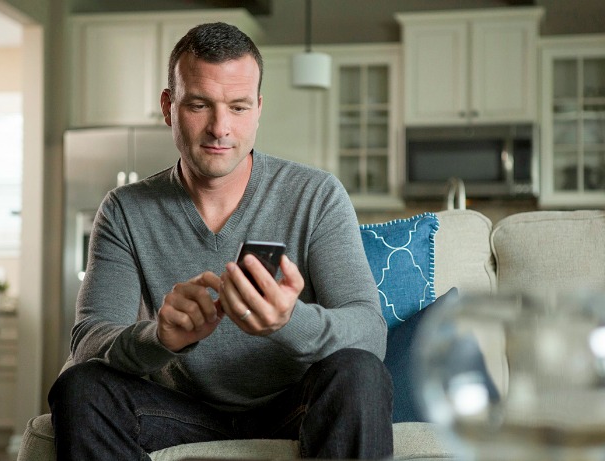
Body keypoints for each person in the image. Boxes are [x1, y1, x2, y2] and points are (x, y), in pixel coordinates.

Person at [48, 22, 393, 460]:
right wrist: (160, 337)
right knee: (80, 386)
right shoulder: (124, 209)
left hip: (295, 407)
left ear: (259, 108)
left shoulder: (316, 195)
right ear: (168, 107)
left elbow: (370, 333)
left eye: (238, 107)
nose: (220, 128)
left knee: (360, 371)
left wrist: (289, 321)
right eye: (199, 105)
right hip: (178, 414)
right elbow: (89, 342)